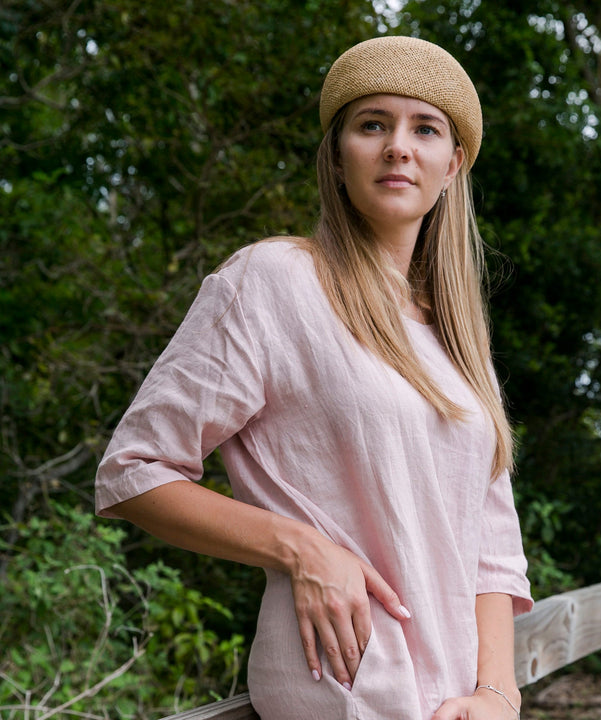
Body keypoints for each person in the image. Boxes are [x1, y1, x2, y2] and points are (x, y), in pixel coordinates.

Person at [95, 35, 533, 720]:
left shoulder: (458, 340)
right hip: (341, 686)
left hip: (456, 700)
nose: (398, 146)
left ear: (452, 166)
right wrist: (301, 548)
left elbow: (493, 549)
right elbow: (134, 471)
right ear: (336, 156)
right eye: (371, 125)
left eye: (425, 128)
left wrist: (497, 694)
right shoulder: (272, 282)